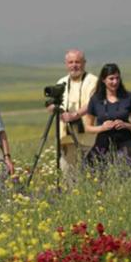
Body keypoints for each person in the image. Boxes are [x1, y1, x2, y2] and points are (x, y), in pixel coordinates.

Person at [50, 49, 98, 185]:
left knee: (90, 176)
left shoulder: (93, 81)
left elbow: (93, 103)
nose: (74, 65)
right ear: (66, 64)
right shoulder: (62, 82)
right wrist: (54, 108)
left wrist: (74, 115)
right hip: (67, 138)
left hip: (88, 138)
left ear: (84, 63)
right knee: (67, 177)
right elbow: (54, 104)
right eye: (71, 62)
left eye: (77, 62)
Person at [84, 63, 131, 165]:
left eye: (117, 78)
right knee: (90, 166)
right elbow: (88, 127)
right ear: (103, 80)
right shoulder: (95, 99)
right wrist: (102, 127)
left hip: (126, 140)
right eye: (111, 79)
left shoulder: (128, 97)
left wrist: (126, 125)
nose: (115, 82)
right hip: (103, 141)